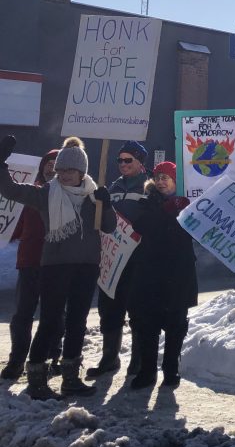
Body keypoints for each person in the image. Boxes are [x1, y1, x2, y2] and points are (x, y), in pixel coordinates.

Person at [0, 135, 115, 400]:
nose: (62, 174)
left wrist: (106, 204)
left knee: (77, 322)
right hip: (55, 266)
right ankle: (37, 378)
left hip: (86, 266)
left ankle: (71, 378)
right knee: (51, 322)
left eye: (69, 170)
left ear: (82, 172)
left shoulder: (93, 196)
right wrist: (1, 164)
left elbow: (108, 227)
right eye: (60, 169)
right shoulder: (45, 194)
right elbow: (11, 190)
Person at [125, 161, 196, 391]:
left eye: (167, 177)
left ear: (177, 181)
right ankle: (147, 371)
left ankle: (170, 368)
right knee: (148, 323)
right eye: (158, 177)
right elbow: (141, 225)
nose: (161, 181)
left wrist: (184, 210)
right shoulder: (147, 202)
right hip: (151, 271)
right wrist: (166, 211)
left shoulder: (190, 203)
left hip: (179, 272)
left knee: (176, 324)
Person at [1, 148, 64, 381]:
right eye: (48, 162)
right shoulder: (29, 193)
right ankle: (17, 360)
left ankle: (52, 358)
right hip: (29, 261)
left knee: (55, 314)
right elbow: (15, 228)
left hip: (56, 263)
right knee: (22, 314)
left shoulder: (67, 194)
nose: (51, 166)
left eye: (56, 162)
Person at [87, 140, 149, 379]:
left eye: (128, 160)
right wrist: (101, 201)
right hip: (111, 258)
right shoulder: (113, 186)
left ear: (140, 163)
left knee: (137, 308)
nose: (123, 164)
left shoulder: (148, 187)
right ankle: (109, 357)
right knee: (109, 308)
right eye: (120, 160)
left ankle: (138, 358)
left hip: (137, 257)